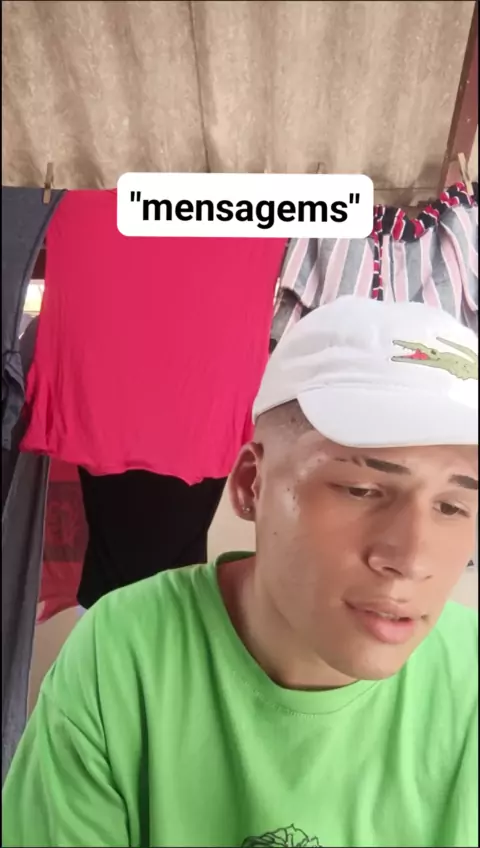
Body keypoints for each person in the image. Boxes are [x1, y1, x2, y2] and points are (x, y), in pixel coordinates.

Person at [2, 295, 478, 848]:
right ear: (253, 483)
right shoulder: (128, 651)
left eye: (453, 507)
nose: (411, 558)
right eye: (362, 490)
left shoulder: (468, 681)